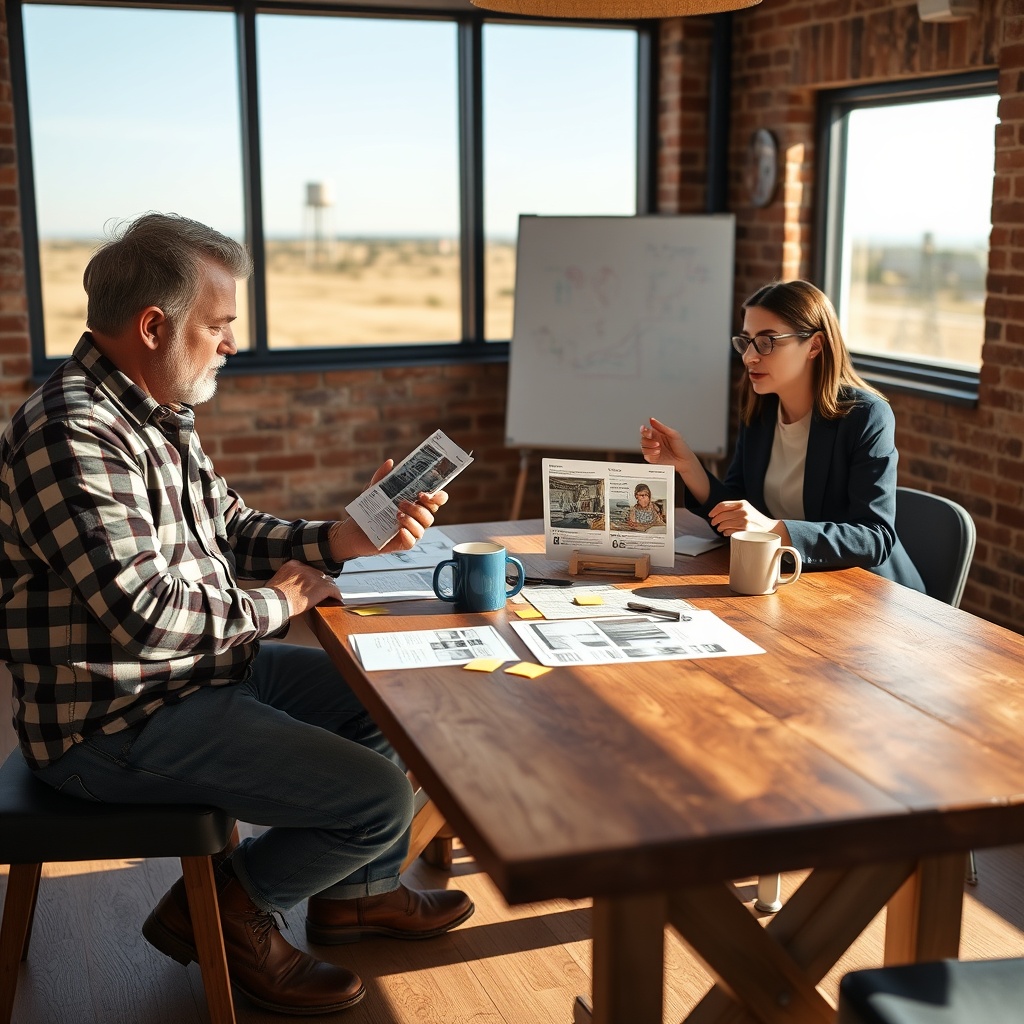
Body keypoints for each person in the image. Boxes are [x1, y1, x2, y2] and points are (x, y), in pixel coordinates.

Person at [0, 213, 474, 1017]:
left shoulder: (155, 410)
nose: (230, 344)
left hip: (189, 681)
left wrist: (340, 538)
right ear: (154, 326)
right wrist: (279, 604)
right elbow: (146, 617)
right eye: (218, 325)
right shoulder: (70, 432)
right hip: (115, 721)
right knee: (379, 799)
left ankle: (356, 894)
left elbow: (230, 527)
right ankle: (229, 906)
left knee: (381, 701)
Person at [640, 279, 925, 591]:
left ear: (814, 345)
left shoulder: (866, 416)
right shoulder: (761, 409)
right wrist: (687, 466)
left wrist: (774, 529)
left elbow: (874, 538)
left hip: (871, 595)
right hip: (795, 582)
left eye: (767, 341)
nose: (750, 357)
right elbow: (735, 512)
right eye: (746, 341)